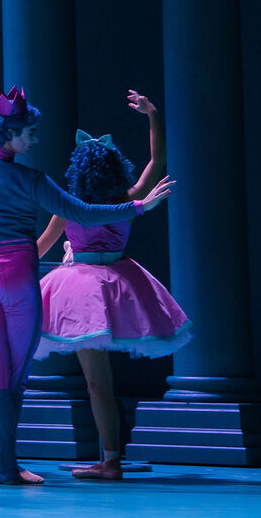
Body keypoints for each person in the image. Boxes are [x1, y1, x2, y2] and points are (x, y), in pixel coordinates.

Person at [0, 86, 175, 486]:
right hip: (17, 275)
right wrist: (140, 206)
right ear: (8, 133)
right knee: (14, 376)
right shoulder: (31, 178)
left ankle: (2, 465)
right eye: (28, 131)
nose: (34, 137)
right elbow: (80, 212)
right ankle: (10, 466)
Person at [33, 91, 191, 480]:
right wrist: (153, 115)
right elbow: (158, 161)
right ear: (114, 167)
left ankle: (110, 460)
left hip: (81, 291)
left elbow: (37, 251)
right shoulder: (128, 199)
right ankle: (111, 458)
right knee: (100, 381)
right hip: (121, 283)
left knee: (96, 381)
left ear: (79, 170)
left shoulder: (68, 207)